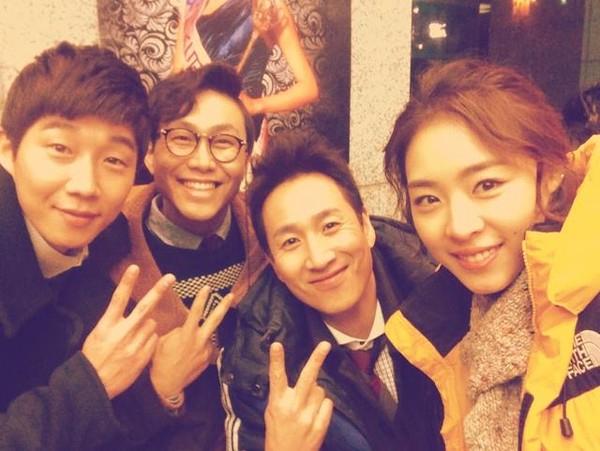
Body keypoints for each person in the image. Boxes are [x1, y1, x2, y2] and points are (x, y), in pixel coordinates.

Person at [383, 58, 600, 450]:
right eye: (429, 199)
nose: (459, 226)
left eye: (486, 185)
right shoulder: (425, 337)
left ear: (550, 173)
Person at [0, 42, 181, 449]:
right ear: (8, 150)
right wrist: (90, 383)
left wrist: (161, 390)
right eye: (60, 149)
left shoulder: (110, 247)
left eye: (113, 160)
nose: (86, 186)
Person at [220, 132, 439, 450]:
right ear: (274, 264)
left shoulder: (442, 291)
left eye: (330, 226)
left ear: (365, 225)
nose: (319, 258)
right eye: (290, 242)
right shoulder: (254, 363)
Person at [109, 61, 268, 449]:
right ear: (149, 153)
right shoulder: (104, 252)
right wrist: (160, 390)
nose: (202, 161)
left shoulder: (272, 244)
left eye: (224, 142)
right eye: (182, 137)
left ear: (247, 158)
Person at [173, 0, 319, 148]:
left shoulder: (267, 5)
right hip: (194, 119)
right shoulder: (193, 3)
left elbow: (308, 88)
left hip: (237, 128)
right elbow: (178, 73)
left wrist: (256, 105)